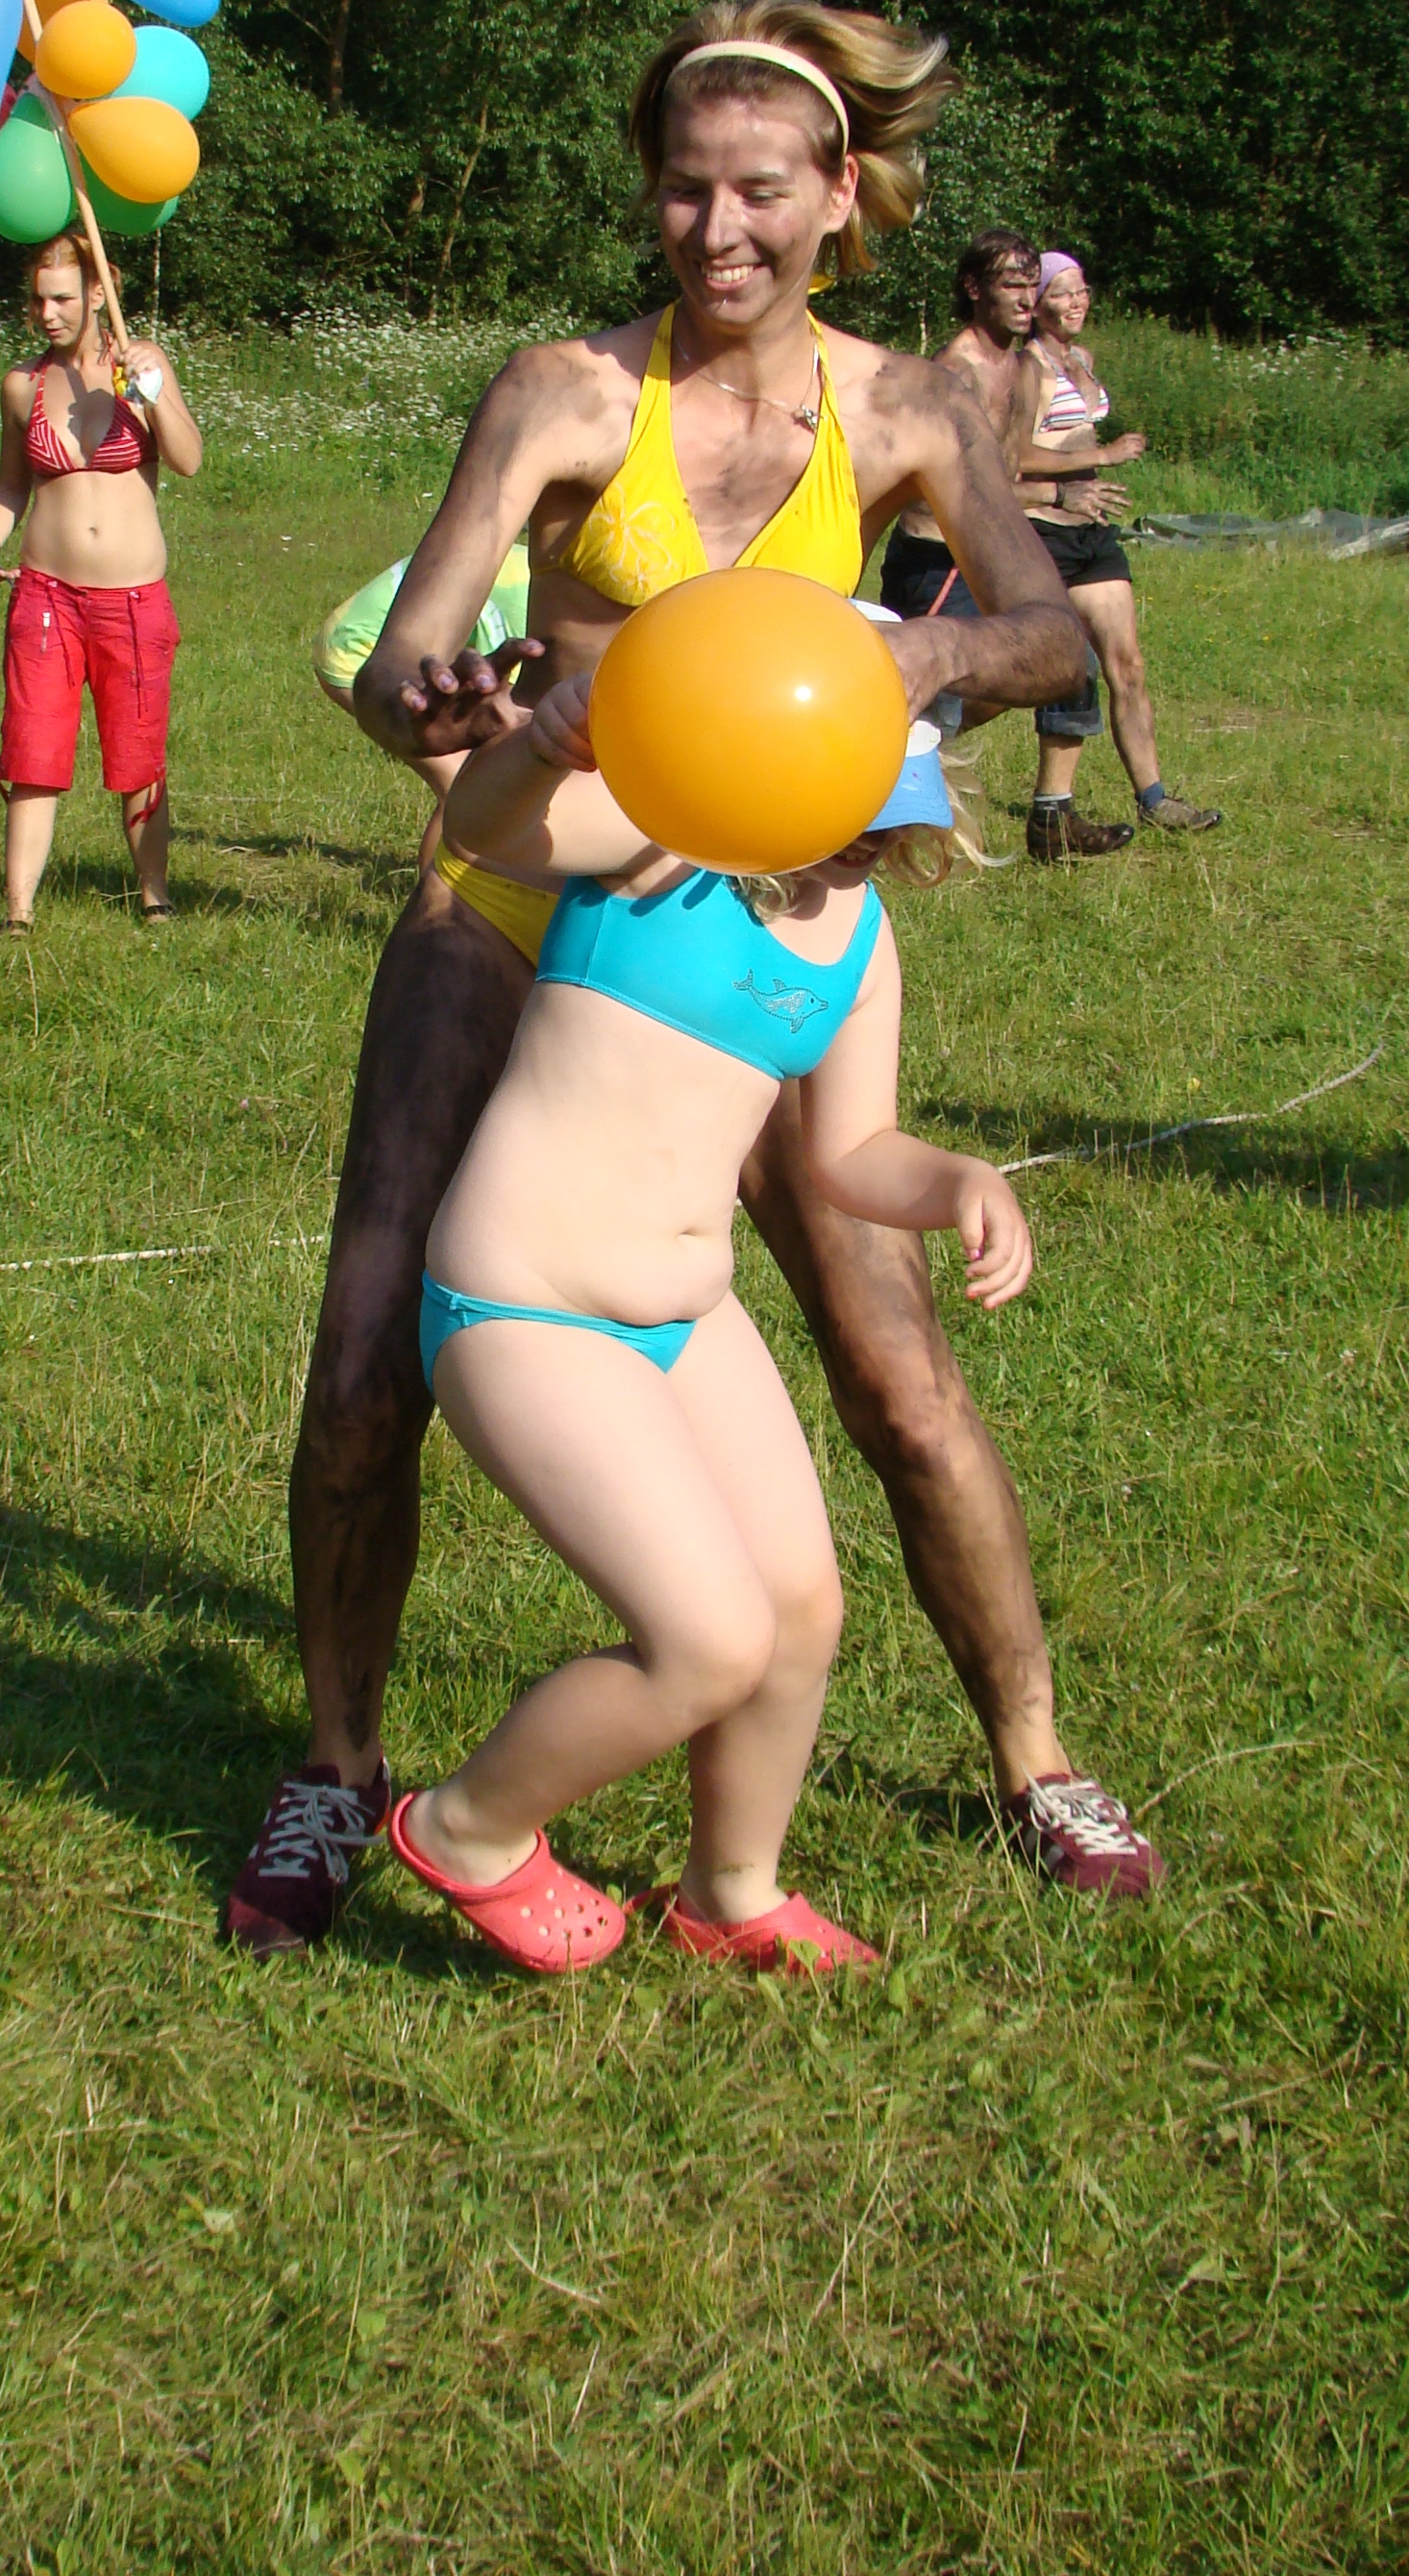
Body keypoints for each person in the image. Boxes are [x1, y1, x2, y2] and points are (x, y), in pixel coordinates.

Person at [227, 0, 1164, 1959]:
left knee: (895, 1370)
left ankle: (1033, 1755)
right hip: (522, 891)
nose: (715, 230)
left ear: (838, 196)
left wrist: (918, 656)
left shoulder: (911, 410)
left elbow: (1048, 636)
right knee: (366, 1341)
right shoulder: (565, 391)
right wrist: (452, 705)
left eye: (755, 192)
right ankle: (333, 1770)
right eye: (680, 189)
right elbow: (402, 657)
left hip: (758, 920)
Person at [390, 678, 1030, 1977]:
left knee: (798, 1614)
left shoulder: (860, 939)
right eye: (848, 815)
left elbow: (853, 1148)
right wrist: (543, 744)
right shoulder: (658, 841)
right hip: (528, 1304)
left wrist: (962, 1177)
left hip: (685, 1313)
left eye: (888, 825)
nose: (864, 850)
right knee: (708, 1641)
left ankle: (731, 1891)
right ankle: (468, 1828)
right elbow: (487, 831)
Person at [878, 230, 1133, 864]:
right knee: (919, 692)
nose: (1026, 299)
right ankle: (868, 799)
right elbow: (945, 484)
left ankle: (1052, 816)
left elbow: (1010, 467)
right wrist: (1058, 495)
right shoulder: (953, 372)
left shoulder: (1017, 366)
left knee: (1070, 662)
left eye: (1029, 285)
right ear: (974, 289)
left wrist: (1060, 488)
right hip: (937, 559)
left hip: (986, 548)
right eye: (1010, 285)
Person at [0, 231, 203, 926]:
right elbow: (11, 485)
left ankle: (155, 896)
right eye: (38, 300)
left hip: (133, 601)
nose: (47, 313)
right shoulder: (22, 384)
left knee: (138, 755)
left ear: (98, 294)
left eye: (63, 299)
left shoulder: (143, 363)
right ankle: (18, 911)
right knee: (33, 750)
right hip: (46, 596)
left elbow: (189, 460)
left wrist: (153, 394)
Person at [1021, 251, 1220, 837]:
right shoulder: (1027, 369)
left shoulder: (1082, 358)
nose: (1077, 301)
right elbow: (1016, 455)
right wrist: (1101, 456)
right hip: (1042, 530)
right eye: (1062, 292)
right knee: (1065, 667)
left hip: (1092, 530)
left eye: (1082, 289)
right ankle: (1045, 804)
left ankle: (1155, 799)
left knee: (1126, 664)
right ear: (1037, 304)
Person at [313, 540, 534, 870]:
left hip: (371, 641)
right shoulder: (532, 605)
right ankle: (436, 893)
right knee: (465, 786)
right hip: (358, 651)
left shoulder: (547, 578)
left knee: (476, 780)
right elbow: (505, 697)